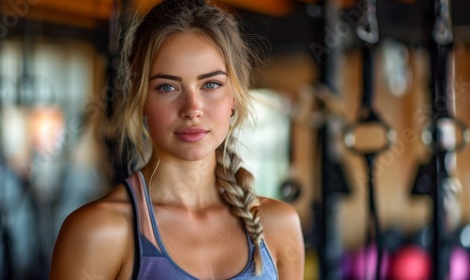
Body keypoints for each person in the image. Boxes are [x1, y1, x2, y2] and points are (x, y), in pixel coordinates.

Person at [50, 0, 304, 279]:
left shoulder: (279, 225)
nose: (192, 109)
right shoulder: (98, 231)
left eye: (211, 84)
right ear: (140, 98)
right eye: (167, 87)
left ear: (234, 96)